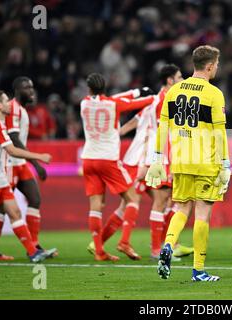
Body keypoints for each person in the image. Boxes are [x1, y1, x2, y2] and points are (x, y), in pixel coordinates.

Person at [88, 64, 193, 260]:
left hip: (145, 157)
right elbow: (161, 132)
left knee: (159, 201)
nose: (183, 80)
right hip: (145, 158)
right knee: (150, 201)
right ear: (170, 81)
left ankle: (165, 245)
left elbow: (135, 121)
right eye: (179, 77)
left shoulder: (153, 102)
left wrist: (115, 133)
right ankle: (153, 248)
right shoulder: (162, 100)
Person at [146, 45, 230, 281]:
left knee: (182, 209)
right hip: (205, 161)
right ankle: (199, 271)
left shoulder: (173, 91)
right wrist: (225, 163)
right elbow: (219, 131)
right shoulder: (214, 93)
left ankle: (168, 246)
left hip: (180, 161)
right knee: (202, 213)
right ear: (211, 66)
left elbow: (163, 127)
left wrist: (157, 159)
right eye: (217, 64)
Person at [0, 91, 56, 263]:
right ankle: (1, 250)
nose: (9, 104)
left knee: (14, 212)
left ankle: (33, 253)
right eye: (6, 101)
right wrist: (39, 157)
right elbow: (12, 150)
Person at [81, 73, 154, 262]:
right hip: (108, 159)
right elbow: (135, 104)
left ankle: (99, 251)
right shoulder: (113, 104)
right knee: (132, 199)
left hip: (88, 159)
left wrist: (135, 91)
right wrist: (151, 96)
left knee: (96, 207)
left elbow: (116, 98)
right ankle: (124, 241)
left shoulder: (85, 103)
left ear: (89, 89)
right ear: (105, 88)